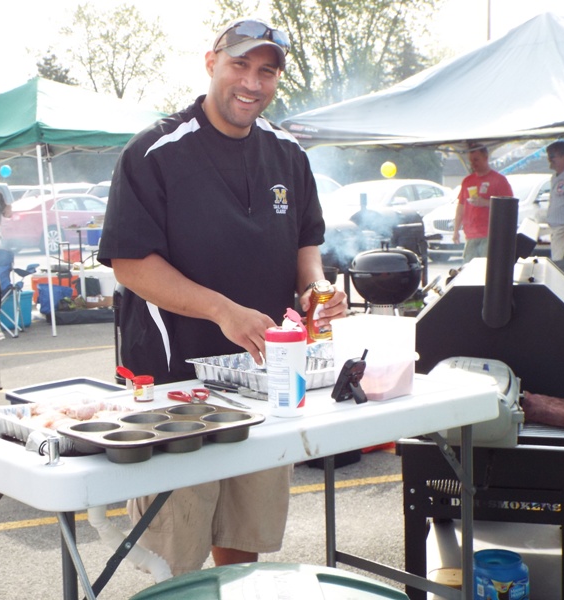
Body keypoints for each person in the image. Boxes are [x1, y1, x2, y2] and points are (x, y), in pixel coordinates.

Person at [97, 18, 348, 576]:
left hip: (266, 378)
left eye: (267, 72)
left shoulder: (287, 153)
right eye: (240, 65)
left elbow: (305, 242)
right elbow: (129, 263)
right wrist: (222, 311)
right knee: (173, 553)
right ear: (211, 63)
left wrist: (315, 290)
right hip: (174, 386)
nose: (252, 83)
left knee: (243, 536)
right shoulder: (155, 152)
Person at [452, 142, 513, 262]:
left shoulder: (499, 180)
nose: (473, 164)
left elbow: (508, 206)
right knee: (469, 268)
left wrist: (485, 202)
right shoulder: (467, 181)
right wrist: (455, 231)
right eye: (471, 160)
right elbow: (461, 207)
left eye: (476, 160)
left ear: (486, 157)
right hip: (471, 235)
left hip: (490, 235)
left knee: (487, 268)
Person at [546, 140, 564, 261]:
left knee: (560, 263)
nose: (550, 159)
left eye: (553, 156)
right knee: (557, 261)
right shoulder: (555, 177)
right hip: (556, 228)